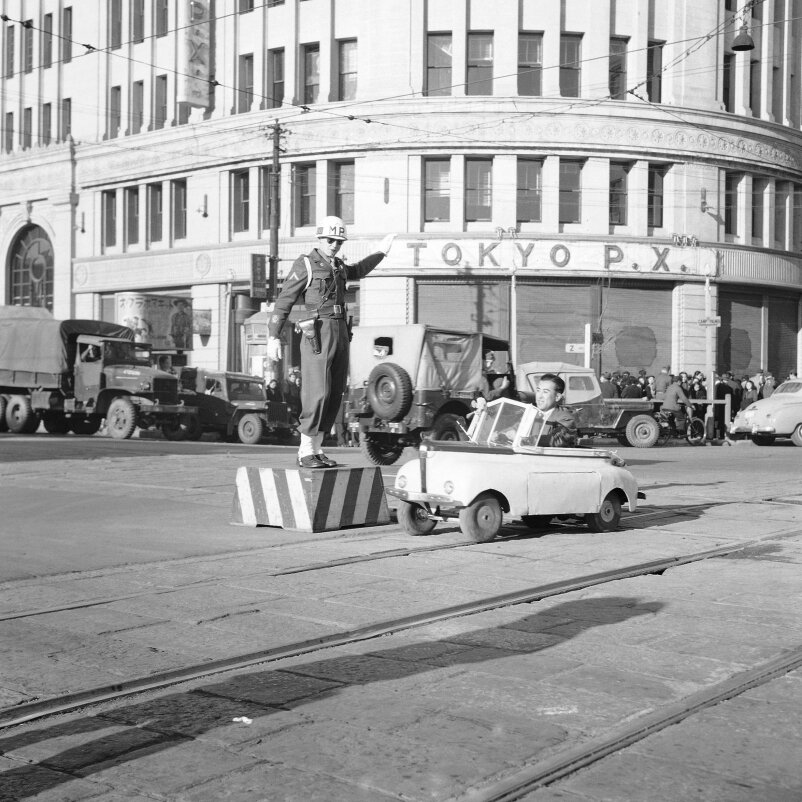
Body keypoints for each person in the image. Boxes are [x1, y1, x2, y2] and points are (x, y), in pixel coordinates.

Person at [267, 216, 395, 468]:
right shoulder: (306, 264)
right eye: (330, 240)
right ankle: (305, 451)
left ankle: (317, 448)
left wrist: (380, 253)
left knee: (335, 392)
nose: (335, 245)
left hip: (341, 331)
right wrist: (273, 336)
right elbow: (284, 301)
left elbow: (358, 270)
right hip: (318, 331)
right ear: (320, 238)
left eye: (338, 241)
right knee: (318, 392)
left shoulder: (338, 266)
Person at [527, 373, 577, 447]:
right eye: (538, 390)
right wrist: (508, 433)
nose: (539, 396)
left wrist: (527, 440)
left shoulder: (566, 418)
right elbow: (515, 429)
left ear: (557, 397)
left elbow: (558, 440)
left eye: (545, 392)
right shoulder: (530, 415)